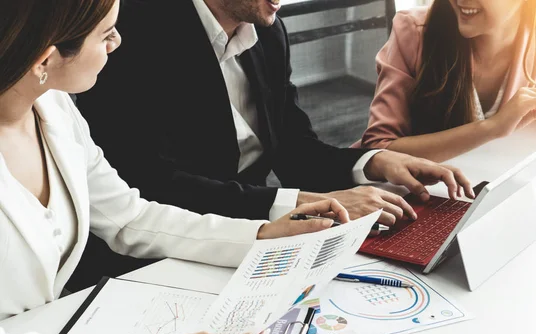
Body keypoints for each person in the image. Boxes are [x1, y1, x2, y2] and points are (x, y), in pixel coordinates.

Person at [0, 0, 352, 334]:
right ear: (45, 58)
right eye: (105, 34)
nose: (117, 43)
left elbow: (129, 217)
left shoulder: (53, 106)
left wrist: (261, 235)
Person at [72, 0, 476, 289]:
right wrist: (296, 204)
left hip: (256, 233)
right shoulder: (131, 35)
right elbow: (150, 183)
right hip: (154, 259)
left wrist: (375, 162)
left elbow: (294, 147)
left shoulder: (266, 30)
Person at [361, 0, 536, 162]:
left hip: (493, 185)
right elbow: (377, 150)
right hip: (416, 198)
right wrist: (491, 128)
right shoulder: (413, 31)